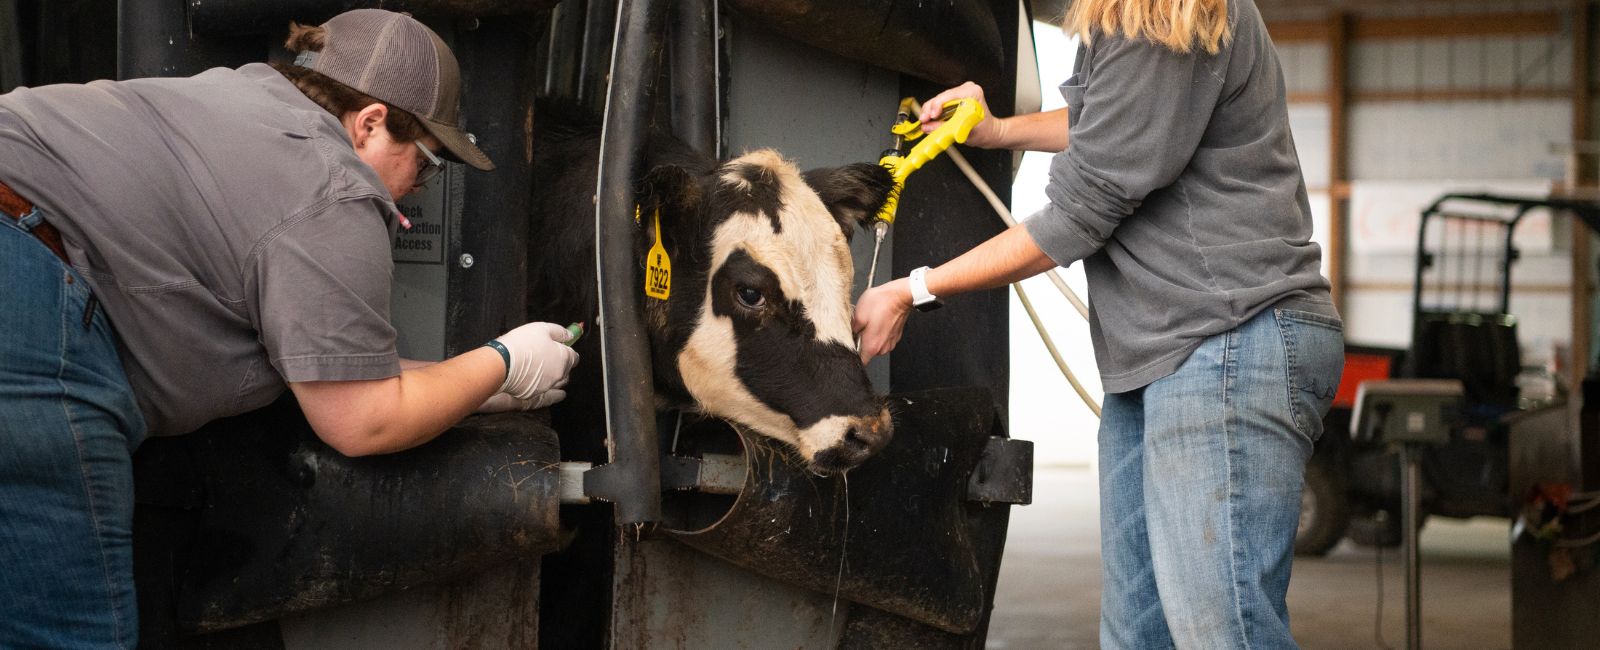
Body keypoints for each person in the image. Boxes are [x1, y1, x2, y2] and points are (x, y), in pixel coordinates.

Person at [0, 9, 576, 647]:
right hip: (20, 280)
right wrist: (503, 358)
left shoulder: (246, 101)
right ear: (371, 122)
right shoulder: (332, 186)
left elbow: (328, 367)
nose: (420, 186)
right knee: (69, 635)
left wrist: (467, 385)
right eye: (429, 163)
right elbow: (361, 418)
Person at [854, 0, 1344, 647]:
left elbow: (1077, 218)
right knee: (1138, 634)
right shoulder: (1119, 23)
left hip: (1227, 341)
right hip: (1162, 358)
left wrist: (914, 288)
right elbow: (1103, 122)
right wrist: (997, 132)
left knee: (1220, 631)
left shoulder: (1162, 10)